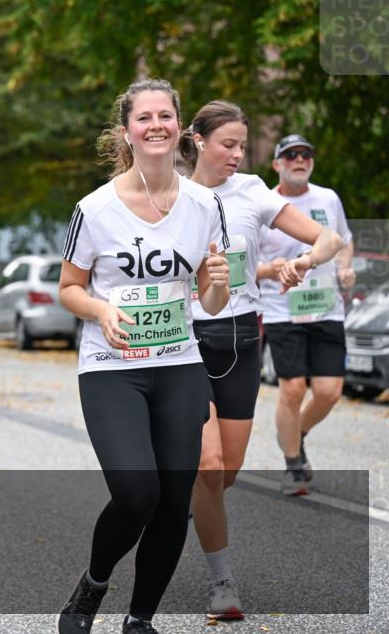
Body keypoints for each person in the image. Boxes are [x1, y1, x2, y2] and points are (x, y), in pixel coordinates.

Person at [57, 78, 231, 634]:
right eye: (144, 117)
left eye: (165, 116)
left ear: (181, 127)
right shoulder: (96, 208)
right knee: (137, 492)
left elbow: (210, 296)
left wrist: (221, 285)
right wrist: (101, 311)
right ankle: (94, 584)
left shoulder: (206, 204)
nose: (156, 125)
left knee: (175, 497)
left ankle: (140, 620)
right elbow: (69, 288)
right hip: (112, 368)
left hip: (178, 362)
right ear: (127, 131)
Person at [180, 104, 345, 620]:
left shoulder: (253, 189)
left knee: (225, 473)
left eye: (241, 146)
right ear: (199, 141)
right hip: (184, 337)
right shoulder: (172, 190)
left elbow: (329, 238)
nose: (236, 154)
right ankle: (222, 584)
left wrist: (302, 262)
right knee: (207, 469)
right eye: (227, 144)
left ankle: (186, 500)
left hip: (242, 337)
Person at [258, 134, 355, 495]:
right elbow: (247, 264)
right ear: (277, 164)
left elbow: (343, 240)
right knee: (293, 387)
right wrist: (270, 270)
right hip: (283, 309)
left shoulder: (327, 198)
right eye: (291, 155)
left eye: (306, 154)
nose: (300, 159)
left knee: (329, 392)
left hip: (327, 307)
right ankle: (293, 465)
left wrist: (345, 268)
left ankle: (294, 433)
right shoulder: (264, 204)